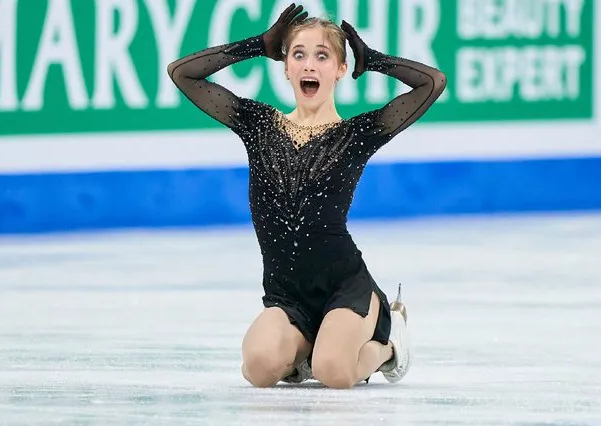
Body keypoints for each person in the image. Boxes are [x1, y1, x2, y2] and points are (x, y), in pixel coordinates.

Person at [167, 3, 446, 389]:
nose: (309, 65)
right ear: (286, 68)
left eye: (322, 56)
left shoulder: (356, 135)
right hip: (287, 294)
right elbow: (182, 74)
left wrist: (374, 59)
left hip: (343, 286)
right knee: (259, 369)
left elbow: (432, 82)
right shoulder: (259, 125)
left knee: (335, 373)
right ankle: (309, 348)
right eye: (298, 55)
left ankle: (388, 341)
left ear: (341, 69)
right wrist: (258, 43)